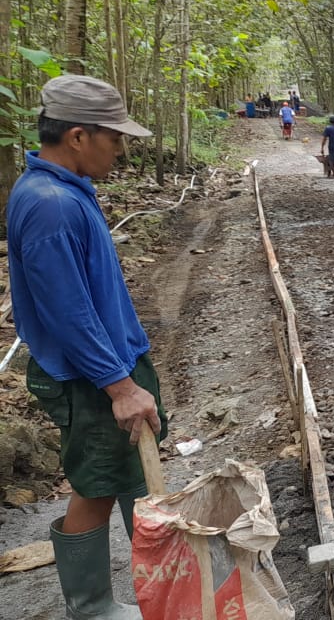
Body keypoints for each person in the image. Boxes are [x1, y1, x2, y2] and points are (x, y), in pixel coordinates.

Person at [7, 75, 168, 619]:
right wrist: (120, 386)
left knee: (125, 475)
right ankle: (93, 608)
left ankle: (159, 586)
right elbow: (67, 312)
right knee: (98, 484)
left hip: (110, 363)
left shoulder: (65, 191)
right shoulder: (51, 206)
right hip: (93, 375)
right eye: (115, 139)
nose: (121, 151)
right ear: (78, 136)